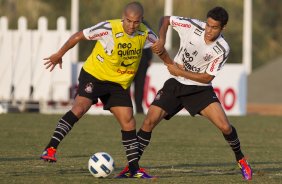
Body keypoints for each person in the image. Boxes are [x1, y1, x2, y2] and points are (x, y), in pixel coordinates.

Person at [118, 7, 253, 180]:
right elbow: (166, 19)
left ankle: (241, 159)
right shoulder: (192, 26)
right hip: (175, 85)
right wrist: (162, 38)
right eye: (208, 25)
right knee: (149, 121)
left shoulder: (222, 48)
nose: (209, 30)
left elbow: (206, 78)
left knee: (225, 126)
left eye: (214, 28)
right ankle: (132, 167)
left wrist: (180, 71)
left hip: (199, 89)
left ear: (223, 28)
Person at [40, 1, 158, 178]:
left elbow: (159, 47)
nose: (132, 25)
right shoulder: (108, 28)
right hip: (94, 75)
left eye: (136, 22)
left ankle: (133, 170)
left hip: (117, 83)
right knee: (80, 108)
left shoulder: (146, 33)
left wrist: (172, 65)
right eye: (128, 21)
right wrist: (59, 54)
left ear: (141, 20)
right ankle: (50, 148)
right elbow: (79, 35)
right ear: (123, 17)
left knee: (129, 121)